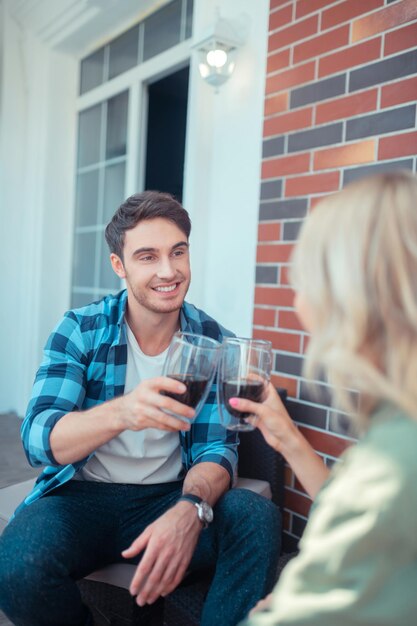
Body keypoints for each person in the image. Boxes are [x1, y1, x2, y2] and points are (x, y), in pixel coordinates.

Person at [0, 191, 280, 626]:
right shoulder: (81, 329)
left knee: (254, 516)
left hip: (170, 495)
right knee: (15, 564)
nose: (168, 271)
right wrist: (124, 412)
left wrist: (190, 507)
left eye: (178, 252)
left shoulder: (216, 341)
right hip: (82, 496)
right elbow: (39, 438)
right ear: (120, 266)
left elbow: (216, 453)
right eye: (147, 257)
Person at [234, 170, 417, 626]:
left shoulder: (394, 462)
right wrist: (289, 439)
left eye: (304, 282)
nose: (298, 304)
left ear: (350, 296)